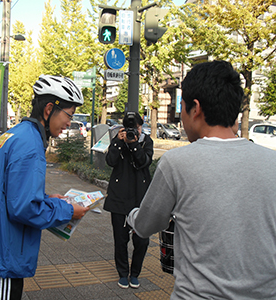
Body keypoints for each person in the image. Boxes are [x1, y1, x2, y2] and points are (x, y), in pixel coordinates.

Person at [127, 60, 276, 299]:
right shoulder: (272, 161)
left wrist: (131, 214)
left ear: (195, 108)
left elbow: (145, 226)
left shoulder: (177, 163)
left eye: (183, 106)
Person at [0, 75, 90, 300]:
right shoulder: (30, 145)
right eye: (69, 115)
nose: (69, 122)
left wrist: (47, 198)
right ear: (49, 109)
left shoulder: (15, 134)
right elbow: (23, 208)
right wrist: (69, 211)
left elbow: (9, 190)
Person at [104, 111, 153, 289]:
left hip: (141, 199)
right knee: (120, 239)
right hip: (119, 198)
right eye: (131, 127)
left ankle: (135, 273)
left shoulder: (146, 141)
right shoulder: (118, 139)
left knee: (142, 240)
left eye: (137, 126)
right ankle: (123, 273)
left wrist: (133, 144)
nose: (135, 130)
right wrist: (118, 141)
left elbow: (144, 162)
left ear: (141, 126)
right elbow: (110, 161)